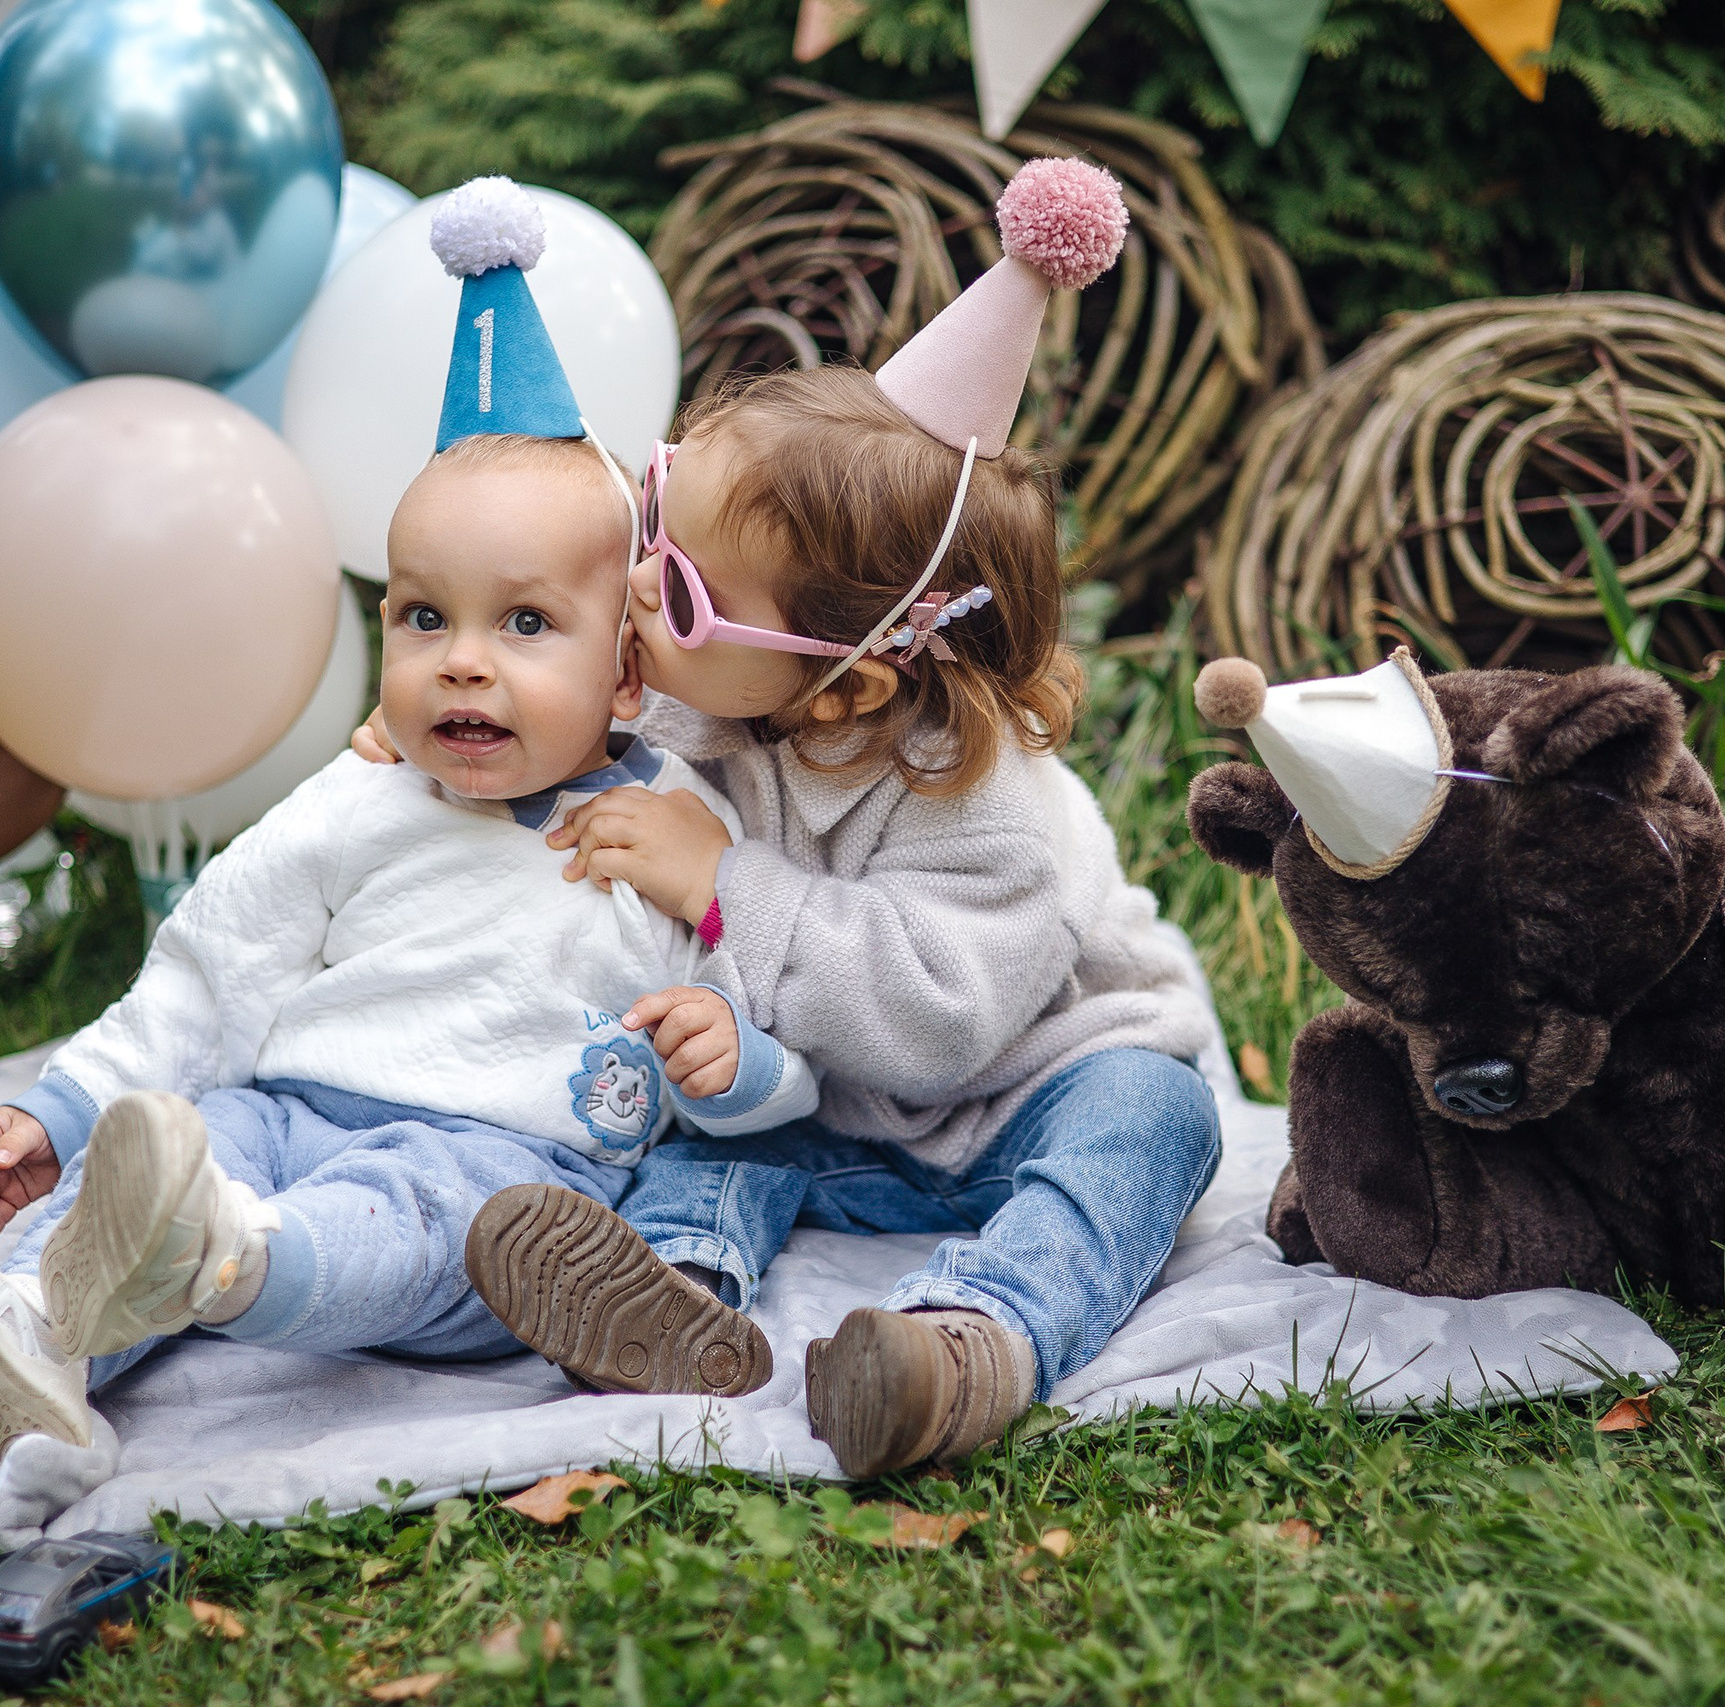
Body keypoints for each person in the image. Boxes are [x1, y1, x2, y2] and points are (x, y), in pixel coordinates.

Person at [0, 180, 813, 1494]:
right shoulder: (360, 801)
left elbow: (775, 1037)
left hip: (502, 1164)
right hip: (284, 1107)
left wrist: (736, 1065)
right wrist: (63, 1104)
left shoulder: (681, 824)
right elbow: (209, 968)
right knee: (174, 1141)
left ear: (628, 678)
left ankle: (223, 1264)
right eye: (421, 619)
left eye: (522, 626)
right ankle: (18, 1338)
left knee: (403, 1226)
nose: (462, 666)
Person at [369, 159, 1227, 1478]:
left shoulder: (994, 810)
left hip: (1025, 1086)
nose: (642, 590)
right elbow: (569, 743)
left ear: (855, 683)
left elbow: (938, 1024)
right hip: (835, 1112)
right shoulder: (720, 696)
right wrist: (439, 736)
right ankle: (667, 1296)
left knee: (1154, 1128)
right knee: (722, 1132)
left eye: (689, 594)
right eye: (653, 524)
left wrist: (725, 884)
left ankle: (975, 1342)